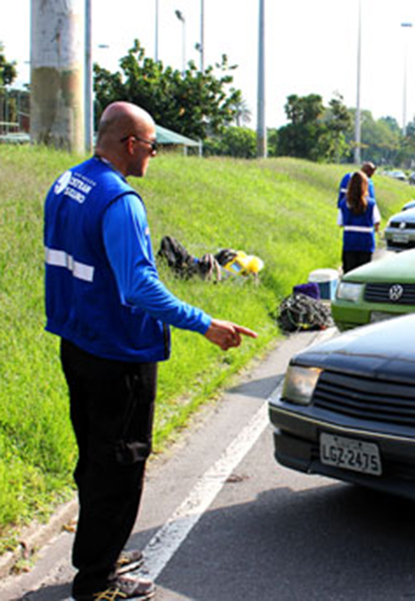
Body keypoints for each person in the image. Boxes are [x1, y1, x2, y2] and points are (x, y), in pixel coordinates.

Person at [44, 102, 257, 601]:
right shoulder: (120, 201)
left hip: (77, 343)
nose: (155, 154)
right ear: (131, 144)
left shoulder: (67, 183)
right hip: (117, 353)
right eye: (152, 146)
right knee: (120, 463)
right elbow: (138, 288)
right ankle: (98, 582)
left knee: (95, 456)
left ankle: (103, 548)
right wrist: (205, 323)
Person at [338, 170, 381, 273]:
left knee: (349, 272)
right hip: (366, 243)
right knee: (364, 272)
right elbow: (377, 221)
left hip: (349, 243)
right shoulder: (371, 204)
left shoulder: (344, 203)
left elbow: (340, 223)